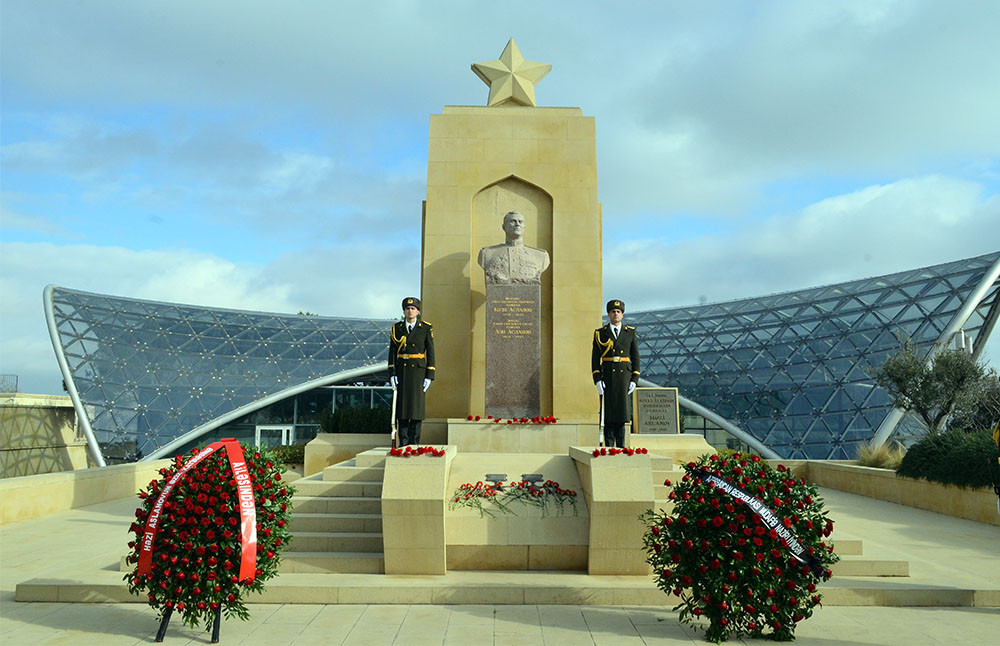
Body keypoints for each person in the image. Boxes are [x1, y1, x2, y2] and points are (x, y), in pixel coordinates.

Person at [592, 299, 640, 448]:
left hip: (623, 377)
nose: (616, 314)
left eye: (618, 312)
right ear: (608, 314)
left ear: (622, 315)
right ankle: (609, 447)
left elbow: (635, 356)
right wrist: (597, 378)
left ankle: (621, 446)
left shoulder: (630, 332)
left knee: (621, 414)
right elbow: (595, 358)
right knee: (608, 415)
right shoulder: (600, 333)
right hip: (607, 377)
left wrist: (635, 378)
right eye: (613, 312)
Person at [388, 297, 435, 446]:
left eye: (413, 308)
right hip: (402, 371)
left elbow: (431, 353)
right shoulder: (397, 328)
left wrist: (430, 375)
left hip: (418, 373)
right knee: (402, 409)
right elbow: (392, 353)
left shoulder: (425, 328)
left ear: (418, 311)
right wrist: (392, 374)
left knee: (416, 409)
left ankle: (414, 443)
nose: (410, 311)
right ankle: (403, 444)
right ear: (404, 311)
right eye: (407, 309)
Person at [477, 211, 551, 284]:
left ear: (524, 227)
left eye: (520, 222)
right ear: (504, 227)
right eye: (513, 221)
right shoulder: (487, 254)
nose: (517, 224)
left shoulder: (540, 255)